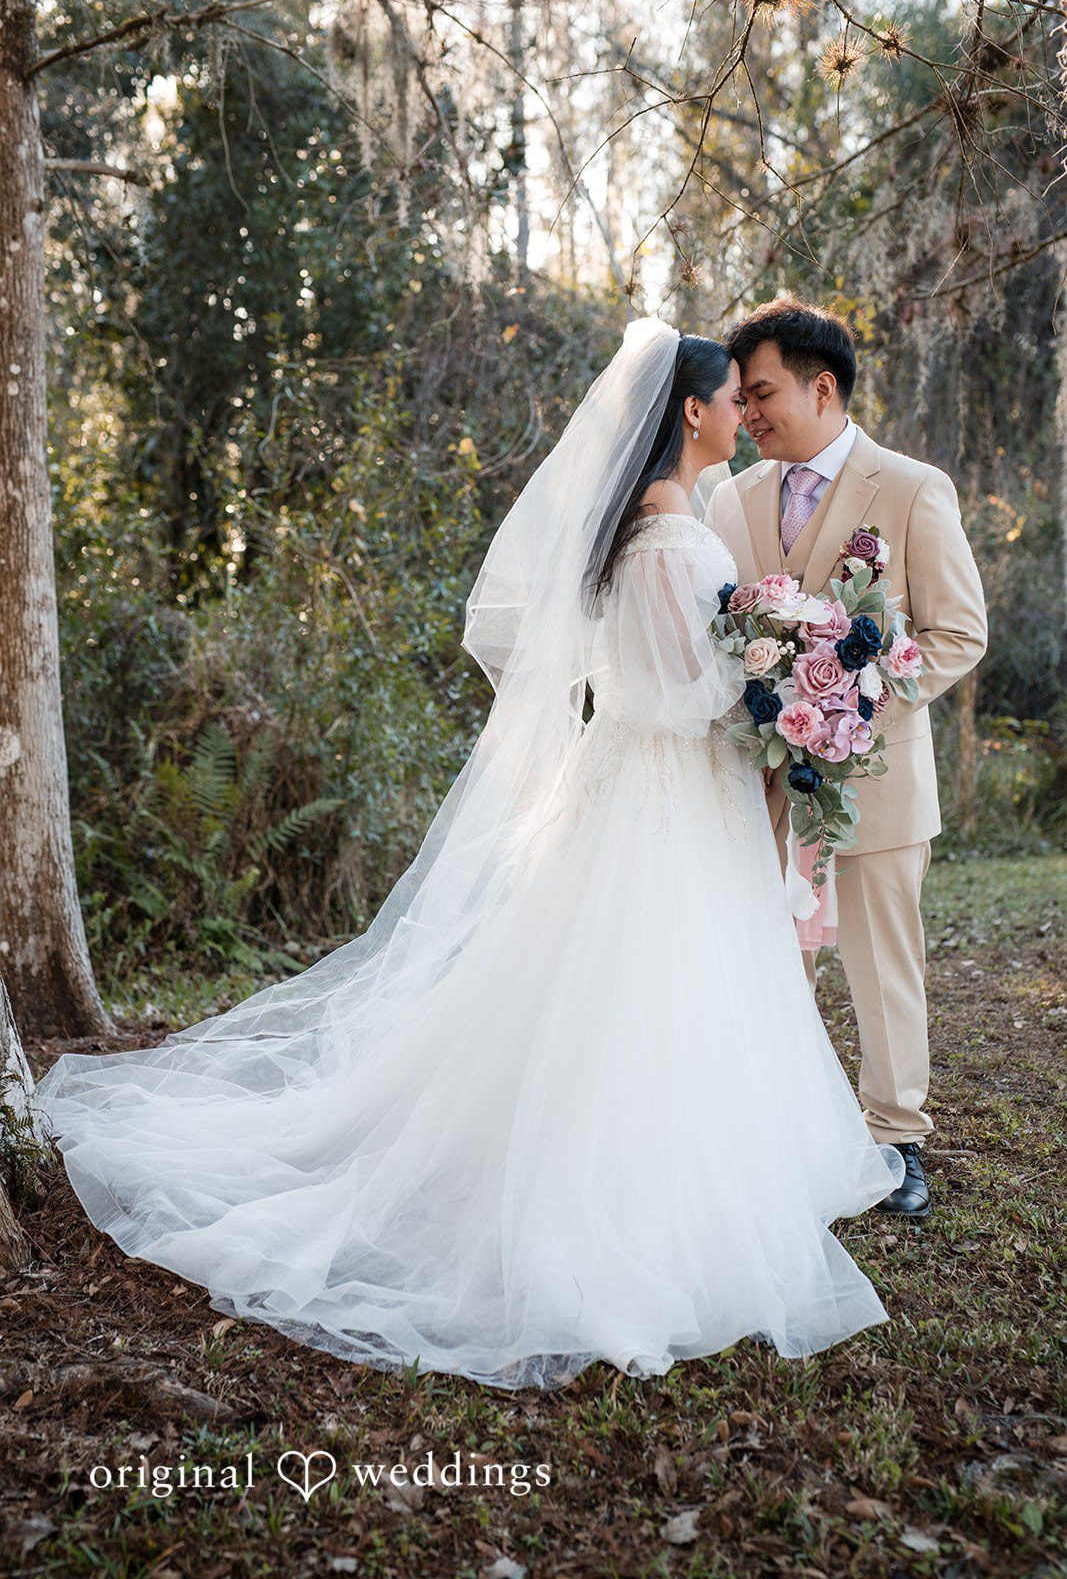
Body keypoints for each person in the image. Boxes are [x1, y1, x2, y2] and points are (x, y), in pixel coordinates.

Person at [33, 318, 904, 1393]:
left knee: (631, 984)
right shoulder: (672, 533)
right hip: (667, 792)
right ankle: (623, 1210)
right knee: (653, 986)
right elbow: (683, 695)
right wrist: (789, 683)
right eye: (732, 397)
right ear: (691, 412)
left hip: (647, 786)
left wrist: (788, 668)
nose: (742, 413)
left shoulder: (645, 522)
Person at [696, 298, 988, 1222]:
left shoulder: (909, 488)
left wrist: (849, 706)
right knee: (767, 955)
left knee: (880, 964)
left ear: (821, 388)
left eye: (761, 394)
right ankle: (777, 1127)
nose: (746, 413)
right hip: (756, 779)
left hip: (875, 778)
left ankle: (896, 1136)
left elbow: (957, 632)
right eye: (741, 399)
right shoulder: (728, 497)